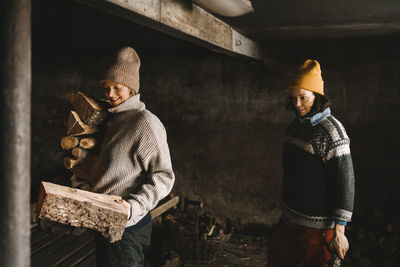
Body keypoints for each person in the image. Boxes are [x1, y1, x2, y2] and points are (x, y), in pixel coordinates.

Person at [90, 46, 175, 267]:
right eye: (107, 87)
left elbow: (164, 177)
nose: (110, 94)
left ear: (131, 89)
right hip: (104, 220)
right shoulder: (115, 120)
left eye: (117, 87)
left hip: (127, 227)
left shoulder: (144, 122)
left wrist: (133, 206)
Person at [268, 59, 355, 267]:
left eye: (303, 97)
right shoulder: (296, 126)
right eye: (293, 98)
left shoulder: (332, 132)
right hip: (290, 217)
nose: (297, 104)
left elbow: (345, 183)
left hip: (318, 226)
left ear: (317, 96)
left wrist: (339, 232)